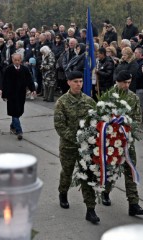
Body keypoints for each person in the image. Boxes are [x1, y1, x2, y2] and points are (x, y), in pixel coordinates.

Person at [53, 71, 99, 224]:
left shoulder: (89, 101)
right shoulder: (62, 102)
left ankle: (90, 209)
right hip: (68, 146)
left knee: (87, 175)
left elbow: (95, 122)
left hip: (85, 148)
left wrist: (91, 138)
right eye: (75, 81)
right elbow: (60, 126)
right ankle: (63, 192)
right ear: (69, 83)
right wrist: (76, 139)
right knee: (67, 172)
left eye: (80, 81)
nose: (79, 84)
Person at [102, 70, 143, 217]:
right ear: (118, 81)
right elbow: (101, 118)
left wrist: (129, 129)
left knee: (130, 170)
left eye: (129, 83)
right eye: (124, 83)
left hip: (127, 141)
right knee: (111, 169)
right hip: (112, 140)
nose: (127, 85)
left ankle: (133, 204)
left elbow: (137, 118)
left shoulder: (133, 97)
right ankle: (105, 192)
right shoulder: (109, 96)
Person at [2, 53, 36, 140]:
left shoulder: (24, 69)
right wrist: (4, 95)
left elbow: (29, 79)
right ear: (12, 60)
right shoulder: (8, 69)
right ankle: (19, 131)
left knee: (19, 111)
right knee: (14, 112)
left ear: (21, 60)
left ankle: (13, 125)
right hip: (11, 94)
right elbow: (4, 83)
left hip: (21, 94)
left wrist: (33, 89)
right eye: (15, 60)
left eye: (18, 60)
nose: (17, 62)